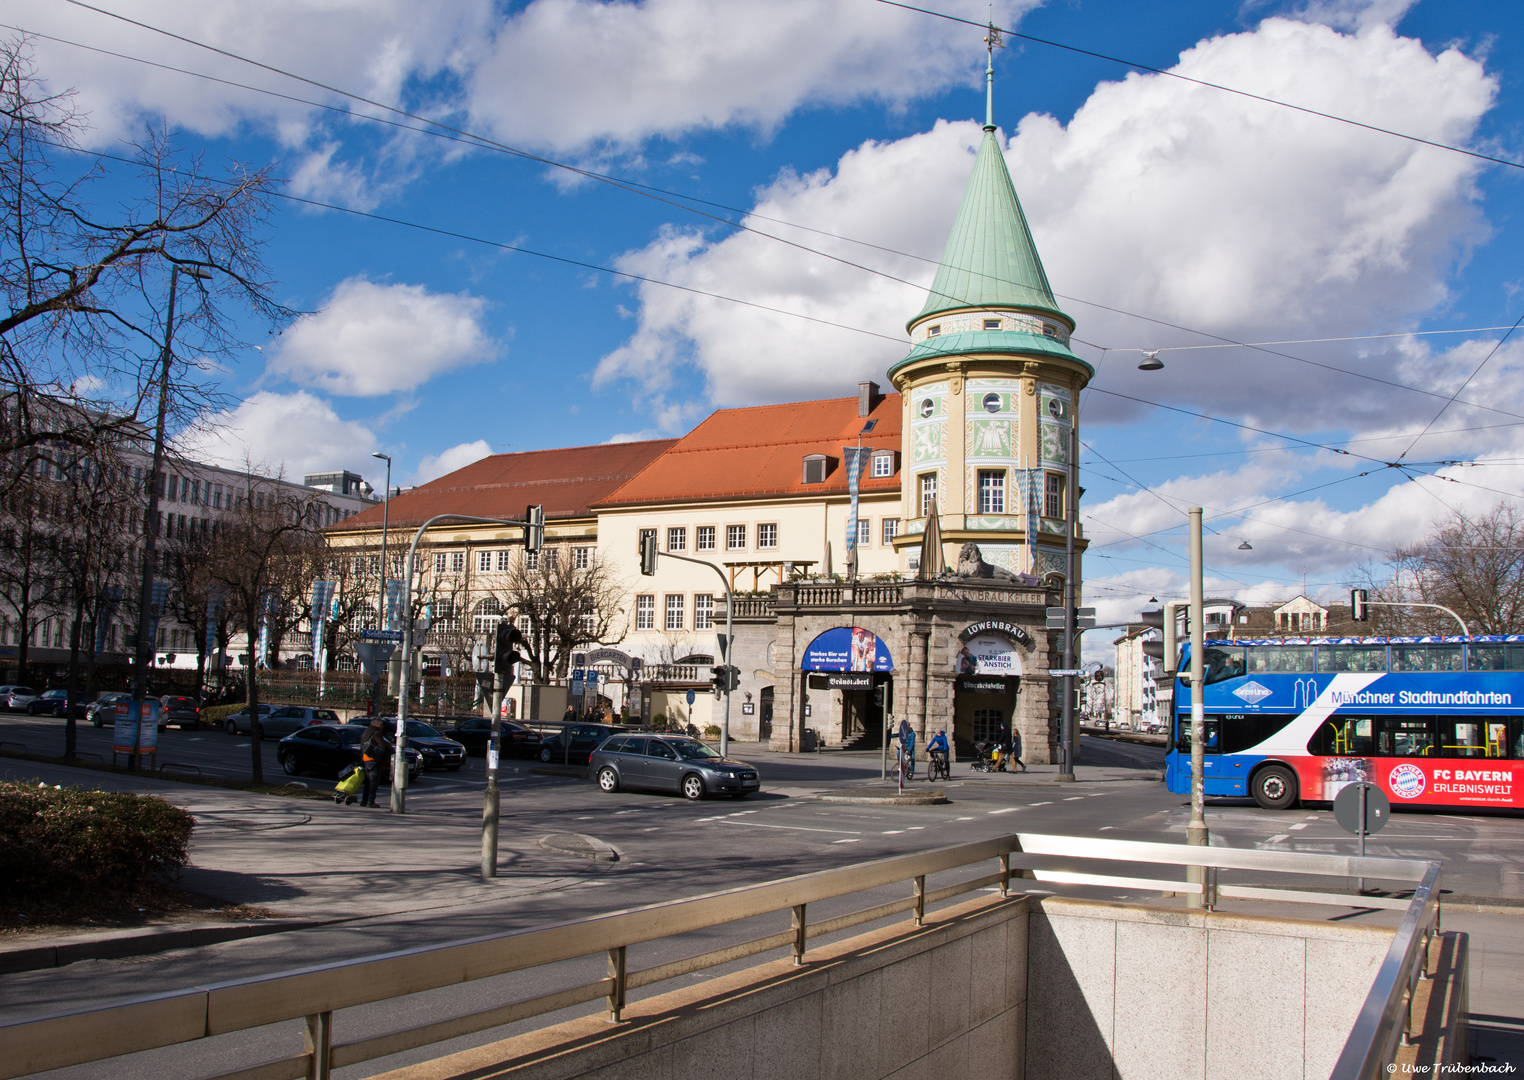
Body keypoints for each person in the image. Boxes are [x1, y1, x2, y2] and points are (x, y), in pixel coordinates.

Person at [359, 717, 386, 808]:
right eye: (381, 724)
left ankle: (364, 800)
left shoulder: (367, 731)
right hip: (374, 760)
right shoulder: (376, 732)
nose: (382, 726)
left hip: (366, 759)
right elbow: (382, 745)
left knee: (368, 782)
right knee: (373, 782)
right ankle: (370, 802)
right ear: (376, 724)